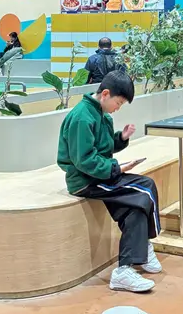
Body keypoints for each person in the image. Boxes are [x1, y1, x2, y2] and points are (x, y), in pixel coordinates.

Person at [57, 70, 162, 293]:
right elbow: (84, 160)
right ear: (105, 94)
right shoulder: (82, 117)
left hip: (100, 174)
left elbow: (103, 147)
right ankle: (141, 248)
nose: (118, 108)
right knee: (145, 188)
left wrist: (121, 138)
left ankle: (126, 267)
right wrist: (117, 168)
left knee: (135, 206)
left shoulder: (102, 114)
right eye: (119, 102)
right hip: (86, 180)